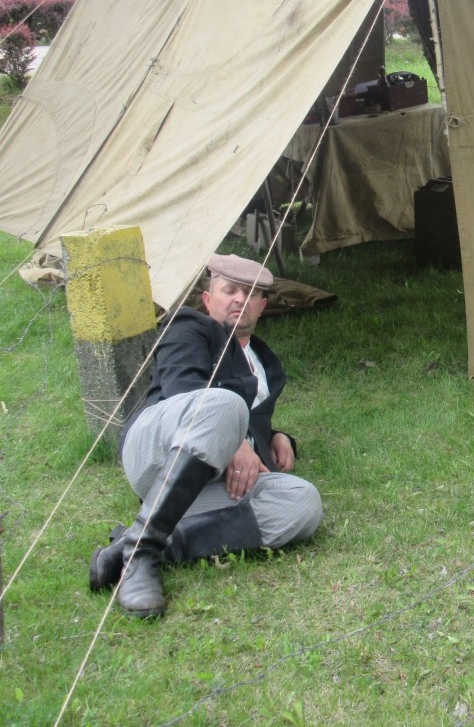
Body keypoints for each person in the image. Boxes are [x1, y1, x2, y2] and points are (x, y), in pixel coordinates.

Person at [89, 254, 323, 617]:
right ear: (208, 299)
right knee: (225, 405)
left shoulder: (265, 361)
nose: (240, 299)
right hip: (155, 449)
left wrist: (279, 437)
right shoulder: (188, 327)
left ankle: (136, 550)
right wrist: (237, 441)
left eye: (250, 293)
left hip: (206, 481)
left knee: (303, 502)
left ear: (262, 306)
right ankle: (141, 554)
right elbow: (185, 391)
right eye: (230, 290)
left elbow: (255, 421)